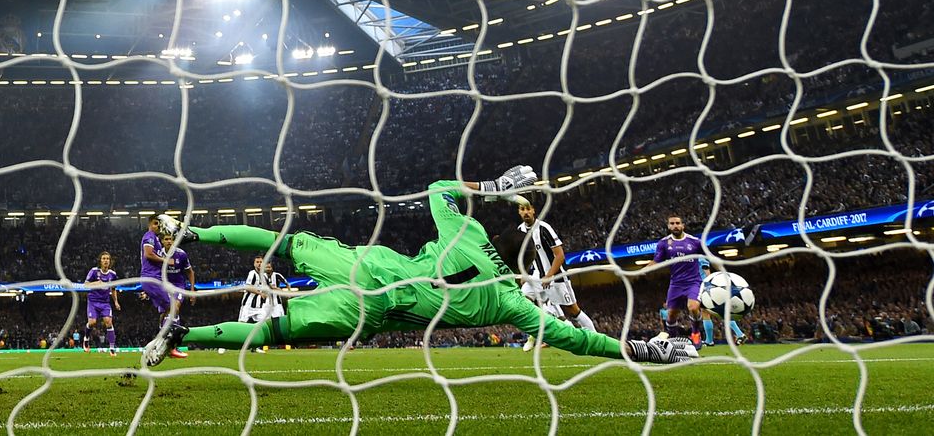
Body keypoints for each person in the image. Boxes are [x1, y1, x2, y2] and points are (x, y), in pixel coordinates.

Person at [143, 166, 696, 367]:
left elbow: (438, 188)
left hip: (369, 265)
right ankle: (182, 334)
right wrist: (639, 349)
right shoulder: (511, 301)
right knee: (273, 329)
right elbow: (575, 341)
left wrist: (495, 189)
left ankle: (189, 231)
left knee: (285, 244)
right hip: (373, 308)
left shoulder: (468, 229)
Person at [515, 196, 596, 352]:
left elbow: (560, 255)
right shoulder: (520, 231)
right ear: (519, 212)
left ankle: (595, 337)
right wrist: (524, 274)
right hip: (537, 276)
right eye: (522, 209)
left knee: (573, 310)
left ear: (533, 211)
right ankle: (537, 334)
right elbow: (524, 256)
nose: (525, 212)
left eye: (528, 209)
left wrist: (549, 275)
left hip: (557, 276)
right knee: (523, 301)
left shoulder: (544, 228)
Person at [653, 214, 706, 342]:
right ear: (668, 226)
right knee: (671, 315)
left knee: (693, 307)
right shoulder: (664, 243)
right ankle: (675, 340)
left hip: (693, 282)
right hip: (675, 284)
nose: (675, 226)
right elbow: (656, 261)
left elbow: (708, 256)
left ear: (683, 225)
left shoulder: (695, 242)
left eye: (677, 223)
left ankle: (695, 332)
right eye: (672, 223)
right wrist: (641, 271)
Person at [140, 215, 187, 359]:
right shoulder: (149, 236)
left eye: (159, 224)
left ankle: (159, 342)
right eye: (155, 224)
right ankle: (170, 346)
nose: (157, 227)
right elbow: (148, 255)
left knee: (167, 311)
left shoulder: (157, 241)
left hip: (156, 280)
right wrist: (166, 260)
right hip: (152, 279)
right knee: (174, 308)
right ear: (149, 224)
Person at [698, 258, 745, 346]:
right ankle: (739, 334)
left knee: (707, 312)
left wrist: (708, 287)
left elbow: (706, 271)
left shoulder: (699, 257)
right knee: (717, 312)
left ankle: (709, 341)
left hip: (705, 287)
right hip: (708, 287)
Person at [83, 251, 120, 356]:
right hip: (93, 301)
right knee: (92, 322)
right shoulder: (94, 271)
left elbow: (113, 289)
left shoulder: (113, 274)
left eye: (107, 259)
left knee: (108, 322)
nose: (106, 261)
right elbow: (85, 285)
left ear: (110, 261)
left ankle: (112, 348)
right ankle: (86, 339)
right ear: (100, 260)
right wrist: (96, 283)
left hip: (105, 303)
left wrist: (116, 302)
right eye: (103, 258)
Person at [161, 232, 196, 326]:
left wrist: (192, 290)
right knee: (165, 311)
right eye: (166, 239)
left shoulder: (181, 254)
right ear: (162, 241)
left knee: (175, 308)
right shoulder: (159, 254)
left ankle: (173, 329)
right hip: (165, 285)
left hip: (178, 285)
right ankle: (162, 328)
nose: (169, 241)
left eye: (171, 239)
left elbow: (190, 272)